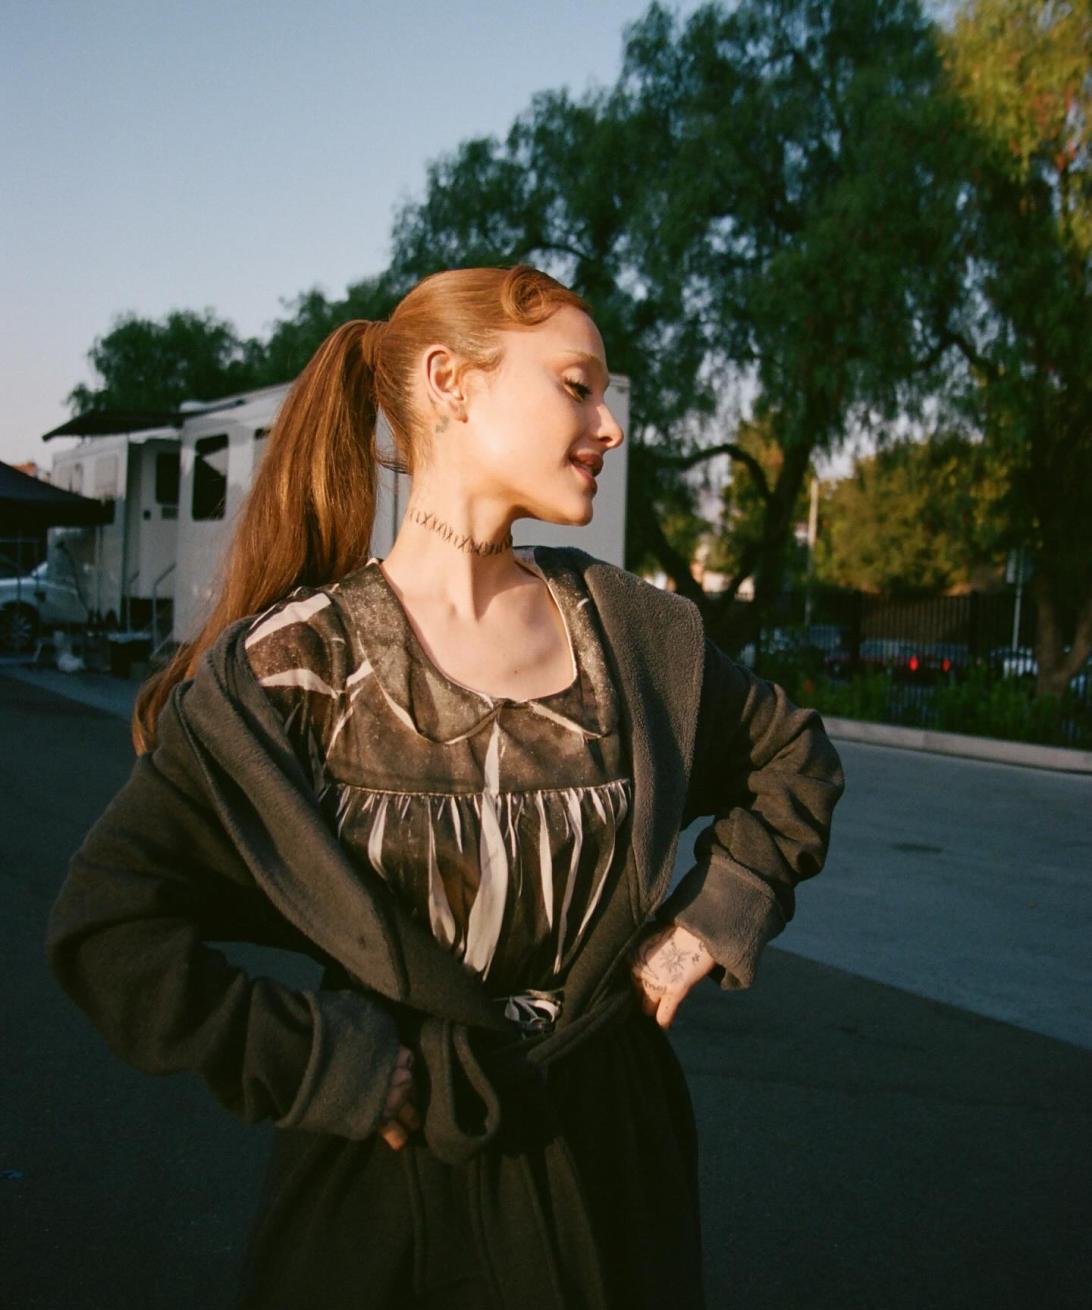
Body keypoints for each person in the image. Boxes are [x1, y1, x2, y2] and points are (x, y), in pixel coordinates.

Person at [45, 264, 845, 1309]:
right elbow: (109, 925)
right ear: (450, 380)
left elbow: (793, 759)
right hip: (386, 1196)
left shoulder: (634, 636)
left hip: (611, 1181)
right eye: (577, 386)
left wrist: (709, 920)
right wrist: (321, 1061)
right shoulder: (295, 667)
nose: (609, 426)